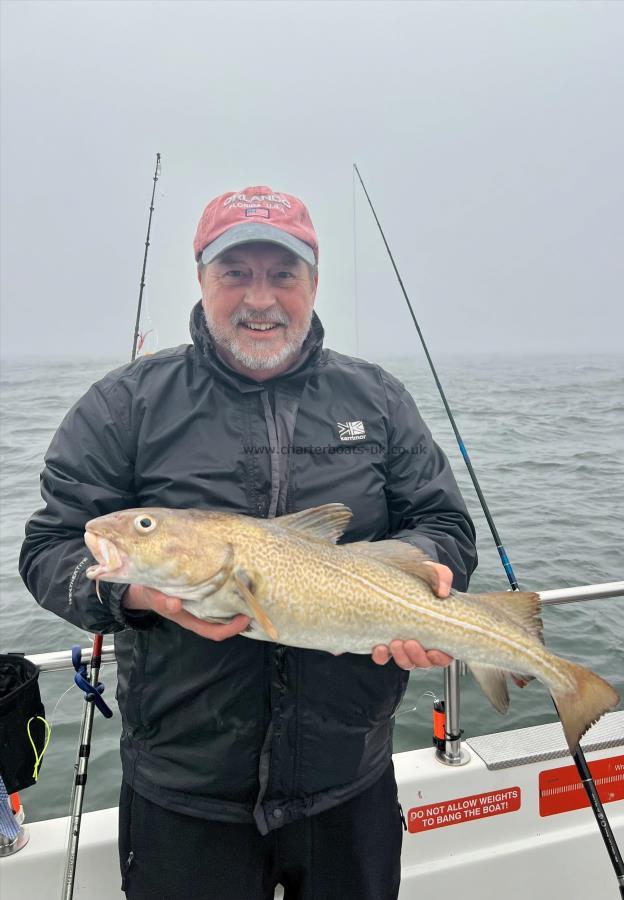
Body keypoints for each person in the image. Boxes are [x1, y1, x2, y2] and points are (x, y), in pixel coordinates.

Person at [20, 186, 477, 900]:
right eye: (235, 274)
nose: (259, 299)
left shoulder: (377, 400)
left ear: (313, 284)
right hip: (183, 788)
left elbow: (442, 523)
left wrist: (424, 580)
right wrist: (135, 595)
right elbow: (51, 547)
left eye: (281, 275)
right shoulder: (125, 405)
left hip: (346, 777)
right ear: (201, 279)